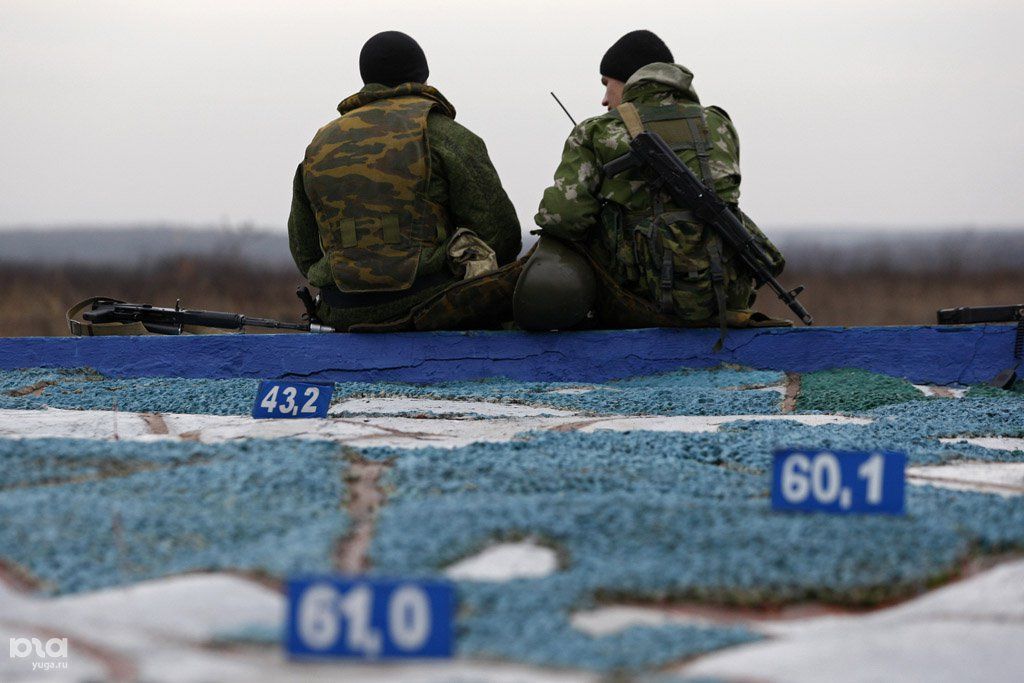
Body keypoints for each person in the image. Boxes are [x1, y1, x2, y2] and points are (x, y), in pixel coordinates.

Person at [516, 30, 787, 334]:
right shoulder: (718, 124)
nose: (605, 99)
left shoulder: (598, 131)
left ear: (630, 79)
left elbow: (562, 218)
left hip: (640, 301)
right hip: (720, 299)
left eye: (608, 84)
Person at [289, 31, 522, 331]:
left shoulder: (320, 145)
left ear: (366, 79)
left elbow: (304, 250)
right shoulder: (445, 134)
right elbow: (501, 235)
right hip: (432, 305)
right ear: (422, 77)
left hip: (341, 310)